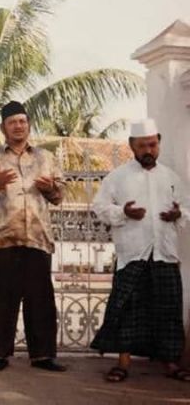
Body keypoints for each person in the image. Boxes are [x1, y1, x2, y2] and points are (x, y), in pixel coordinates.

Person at [0, 101, 66, 373]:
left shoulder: (46, 158)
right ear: (3, 128)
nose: (18, 126)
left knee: (40, 300)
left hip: (37, 237)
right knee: (3, 300)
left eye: (22, 121)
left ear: (29, 125)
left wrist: (51, 188)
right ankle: (1, 354)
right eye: (12, 122)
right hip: (4, 237)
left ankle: (43, 355)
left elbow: (60, 195)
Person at [91, 118, 190, 383]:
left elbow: (187, 207)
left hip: (164, 254)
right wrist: (123, 212)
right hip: (133, 254)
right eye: (143, 146)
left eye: (153, 145)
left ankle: (171, 363)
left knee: (168, 311)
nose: (148, 150)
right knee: (128, 310)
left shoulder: (171, 177)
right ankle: (122, 364)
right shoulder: (118, 177)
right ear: (131, 146)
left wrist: (178, 214)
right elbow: (99, 207)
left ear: (159, 143)